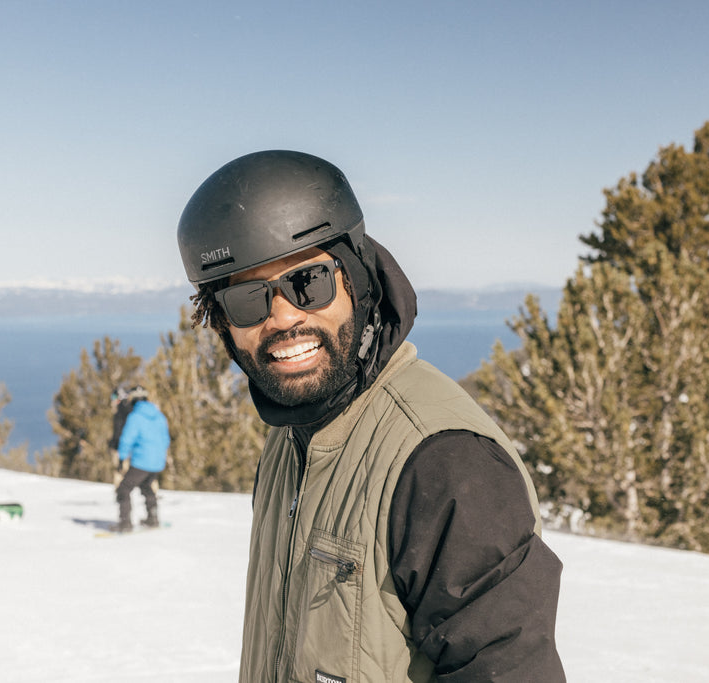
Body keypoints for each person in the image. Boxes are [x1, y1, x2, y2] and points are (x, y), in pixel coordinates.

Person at [177, 150, 565, 682]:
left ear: (357, 278)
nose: (284, 317)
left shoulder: (443, 460)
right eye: (248, 299)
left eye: (308, 282)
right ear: (221, 322)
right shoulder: (292, 442)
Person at [109, 386, 170, 532]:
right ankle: (152, 519)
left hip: (142, 461)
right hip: (158, 461)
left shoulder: (135, 416)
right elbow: (166, 439)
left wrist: (122, 458)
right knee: (146, 486)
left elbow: (126, 439)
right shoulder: (159, 415)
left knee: (123, 489)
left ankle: (125, 524)